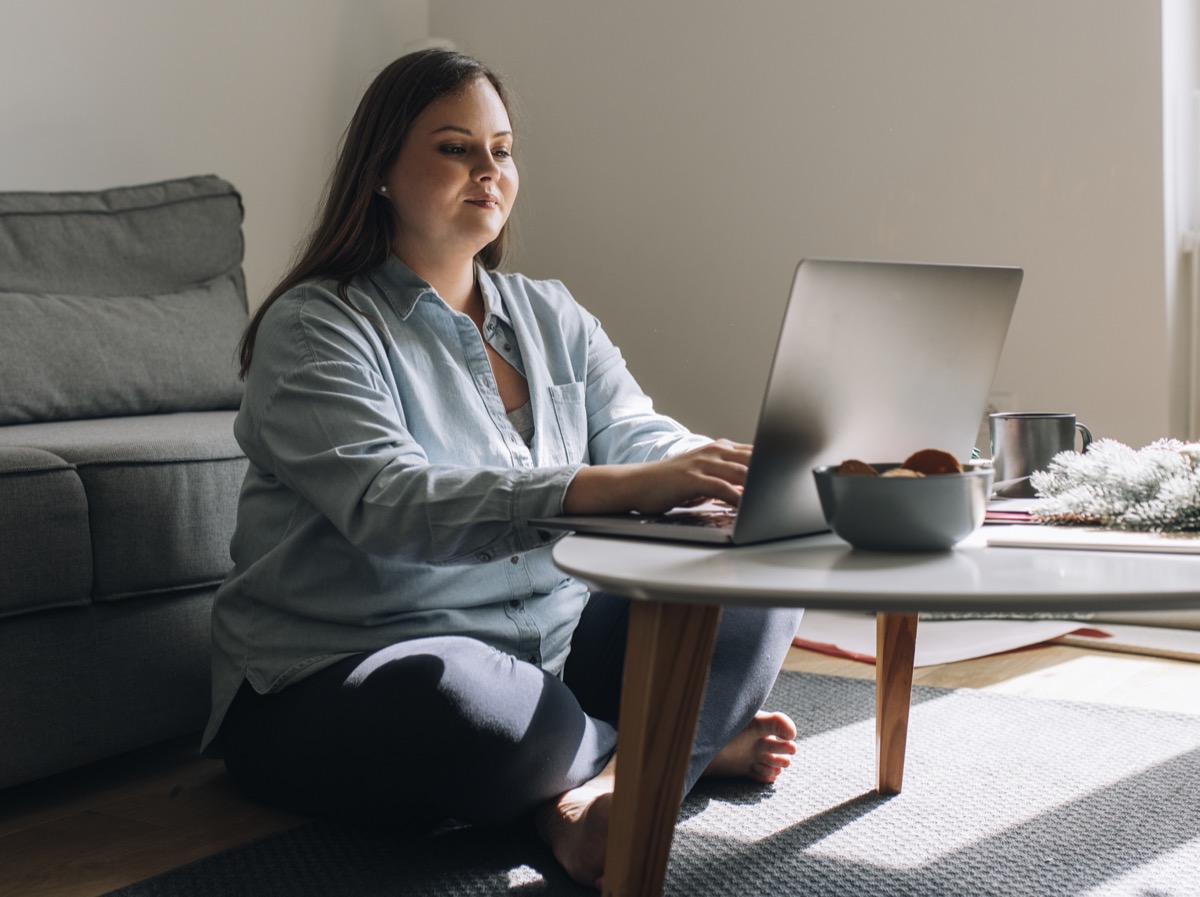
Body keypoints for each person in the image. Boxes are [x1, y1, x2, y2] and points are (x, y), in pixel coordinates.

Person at [202, 47, 804, 889]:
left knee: (764, 561)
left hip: (544, 656)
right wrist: (616, 488)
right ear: (379, 169)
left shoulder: (550, 311)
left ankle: (611, 788)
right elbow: (392, 503)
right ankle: (673, 745)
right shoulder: (316, 326)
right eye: (457, 147)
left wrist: (723, 477)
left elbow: (636, 432)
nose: (490, 170)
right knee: (456, 700)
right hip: (342, 677)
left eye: (503, 149)